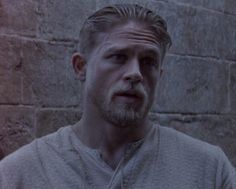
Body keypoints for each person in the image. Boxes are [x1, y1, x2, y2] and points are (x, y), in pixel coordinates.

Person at [0, 4, 235, 189]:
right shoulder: (20, 173)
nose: (135, 73)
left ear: (160, 75)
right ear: (80, 67)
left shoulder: (208, 169)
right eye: (118, 57)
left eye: (148, 61)